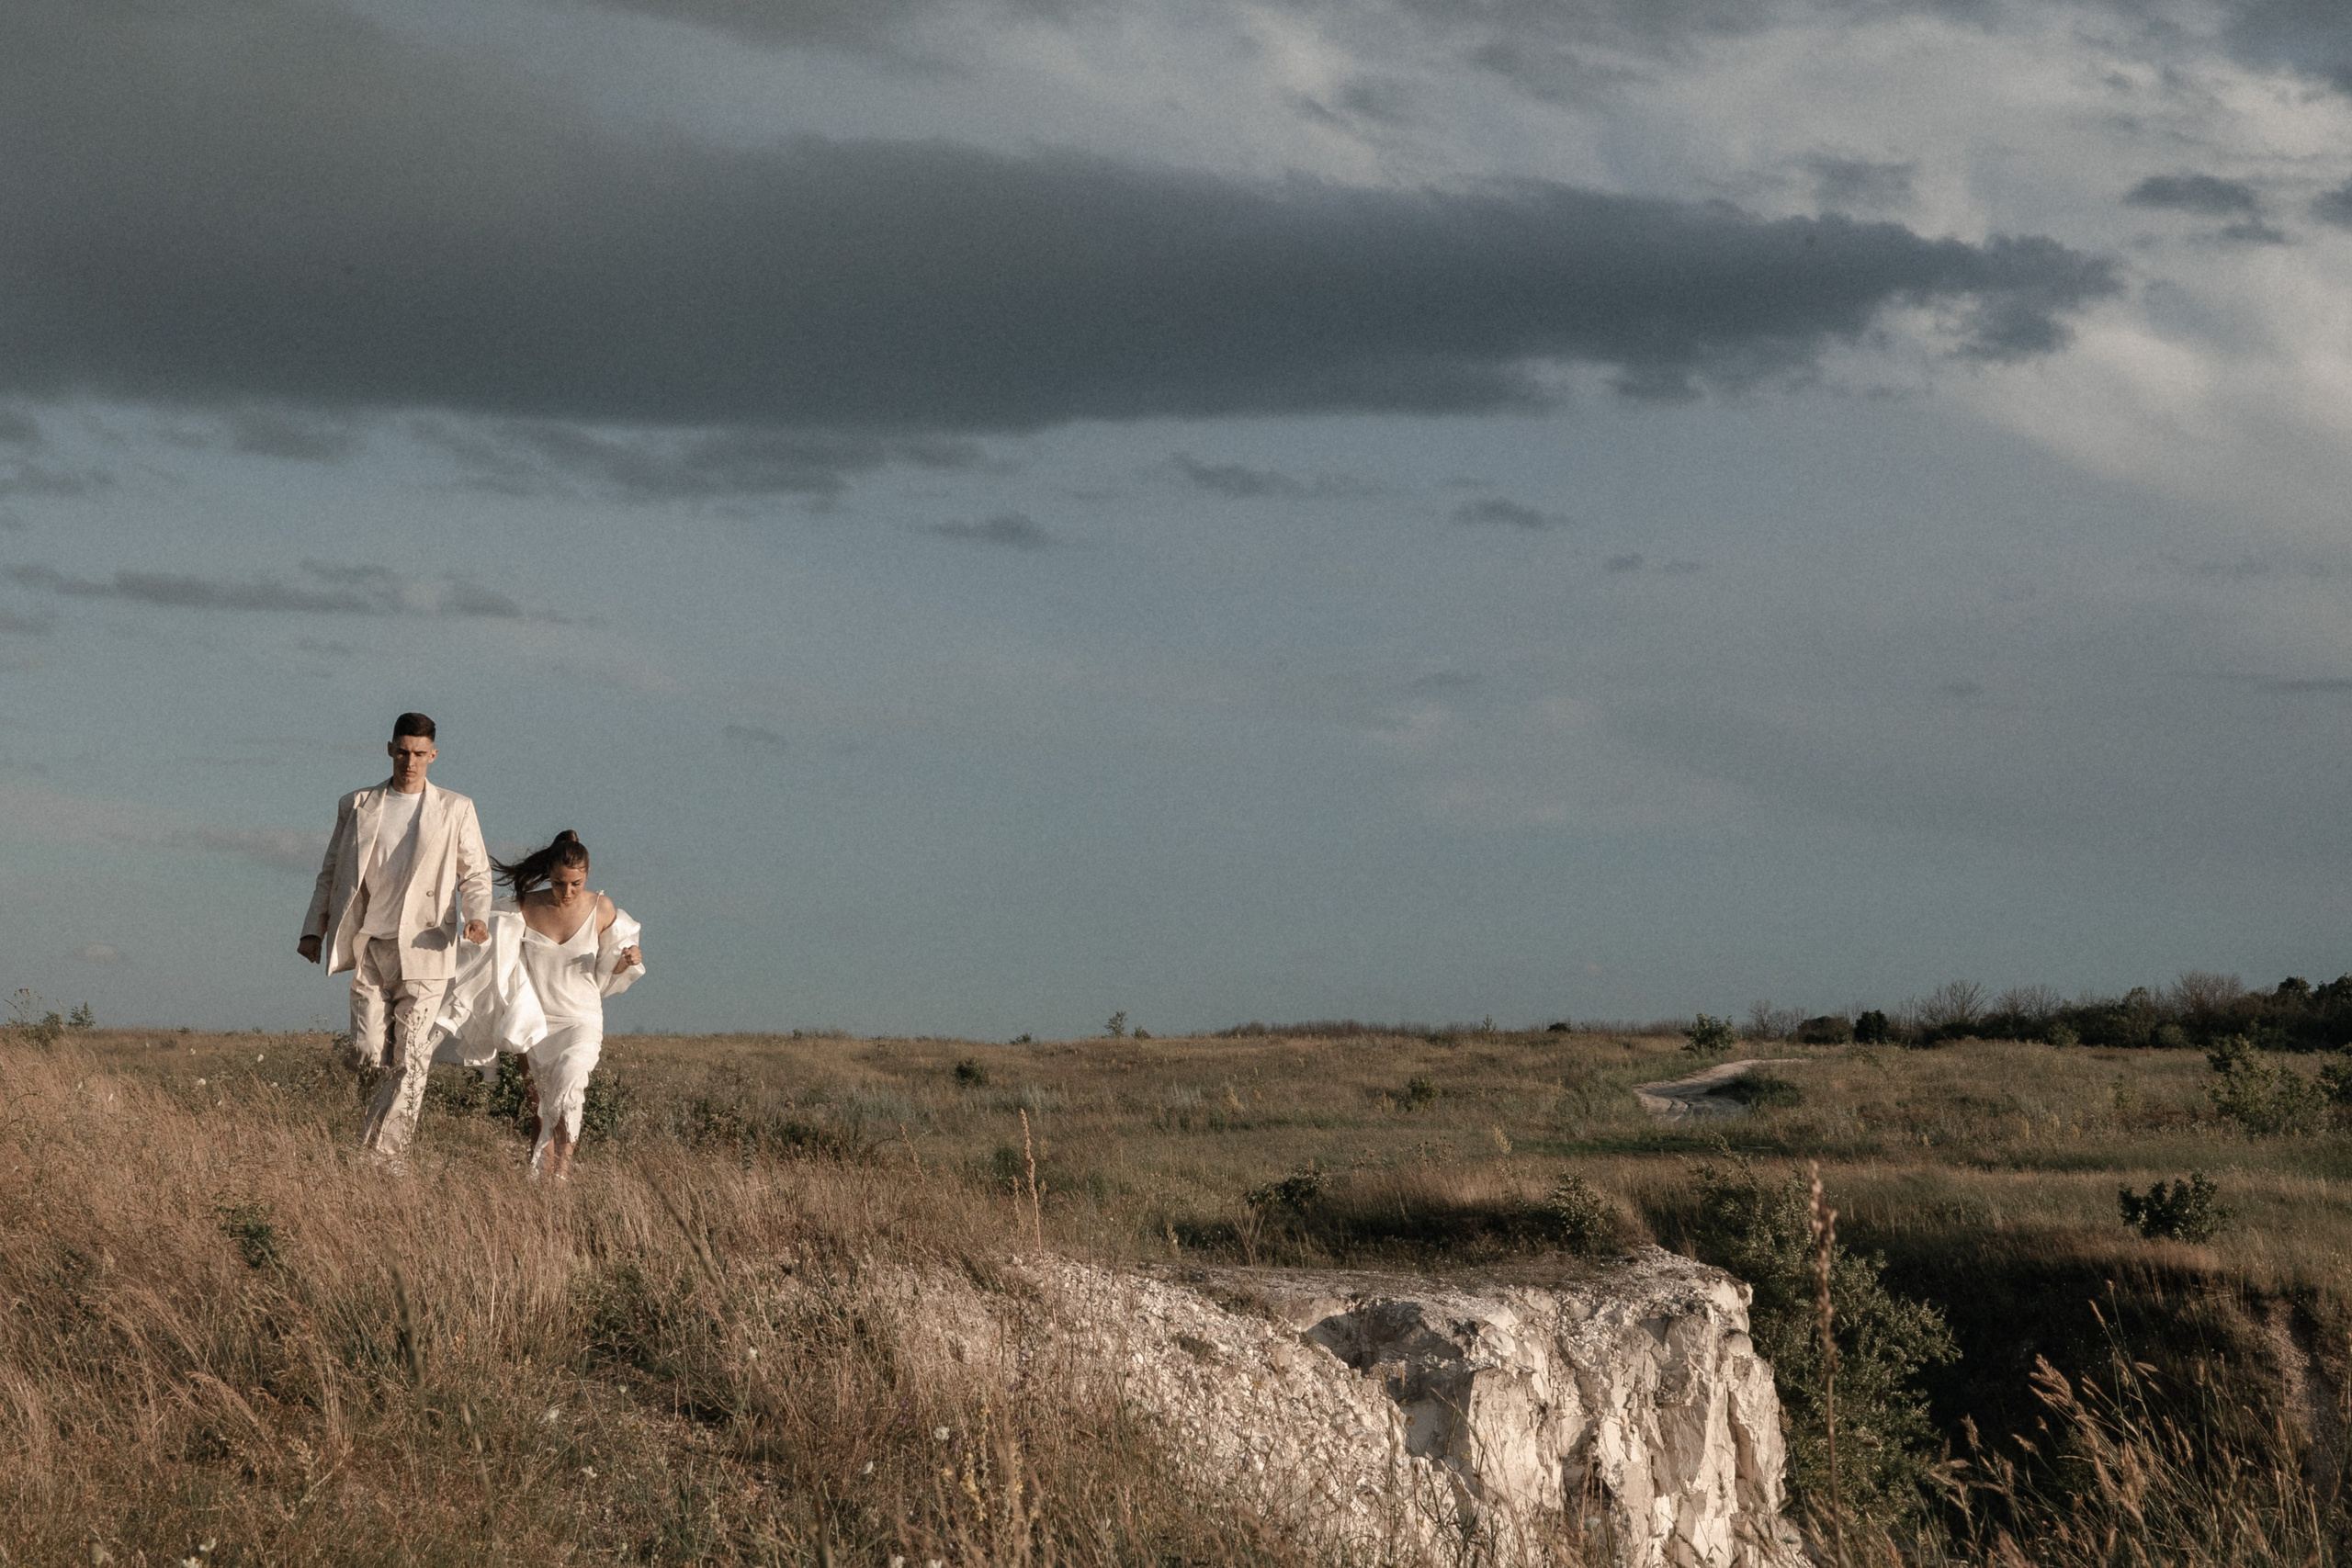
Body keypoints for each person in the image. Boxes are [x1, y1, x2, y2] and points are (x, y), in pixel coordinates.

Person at [298, 712, 492, 1170]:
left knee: (413, 1055)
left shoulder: (456, 808)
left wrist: (478, 916)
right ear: (390, 749)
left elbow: (476, 873)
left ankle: (385, 1156)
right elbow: (331, 873)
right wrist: (314, 928)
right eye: (403, 752)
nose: (410, 762)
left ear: (433, 756)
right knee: (368, 1053)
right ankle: (377, 1132)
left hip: (427, 948)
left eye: (420, 754)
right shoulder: (358, 804)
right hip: (370, 943)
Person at [439, 830, 644, 1179]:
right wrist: (477, 937)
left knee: (570, 1086)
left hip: (581, 1018)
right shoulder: (524, 905)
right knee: (539, 1106)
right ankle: (538, 1182)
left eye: (576, 884)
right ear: (548, 875)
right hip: (535, 1021)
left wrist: (627, 960)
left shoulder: (602, 909)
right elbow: (493, 951)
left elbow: (605, 973)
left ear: (588, 875)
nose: (567, 892)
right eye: (558, 883)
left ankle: (561, 1176)